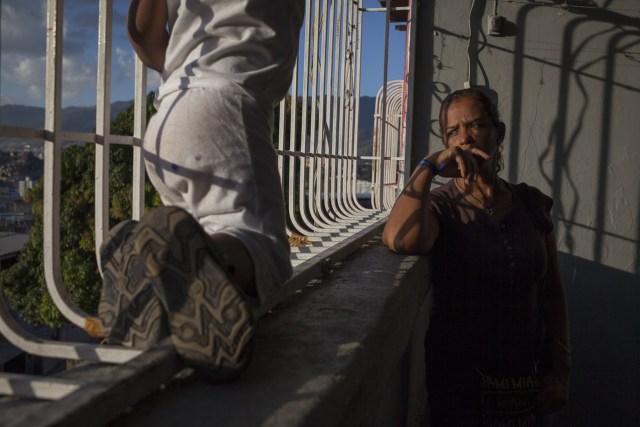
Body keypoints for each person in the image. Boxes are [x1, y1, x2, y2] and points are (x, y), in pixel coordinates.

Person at [97, 0, 304, 382]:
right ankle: (166, 263)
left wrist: (179, 68)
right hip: (229, 102)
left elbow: (142, 32)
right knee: (263, 247)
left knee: (203, 236)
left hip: (171, 108)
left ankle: (154, 306)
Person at [382, 88, 571, 426]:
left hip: (529, 380)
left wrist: (561, 368)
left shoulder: (531, 203)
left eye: (475, 125)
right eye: (452, 131)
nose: (464, 138)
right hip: (460, 385)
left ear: (498, 132)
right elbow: (399, 238)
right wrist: (429, 164)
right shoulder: (442, 206)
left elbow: (552, 292)